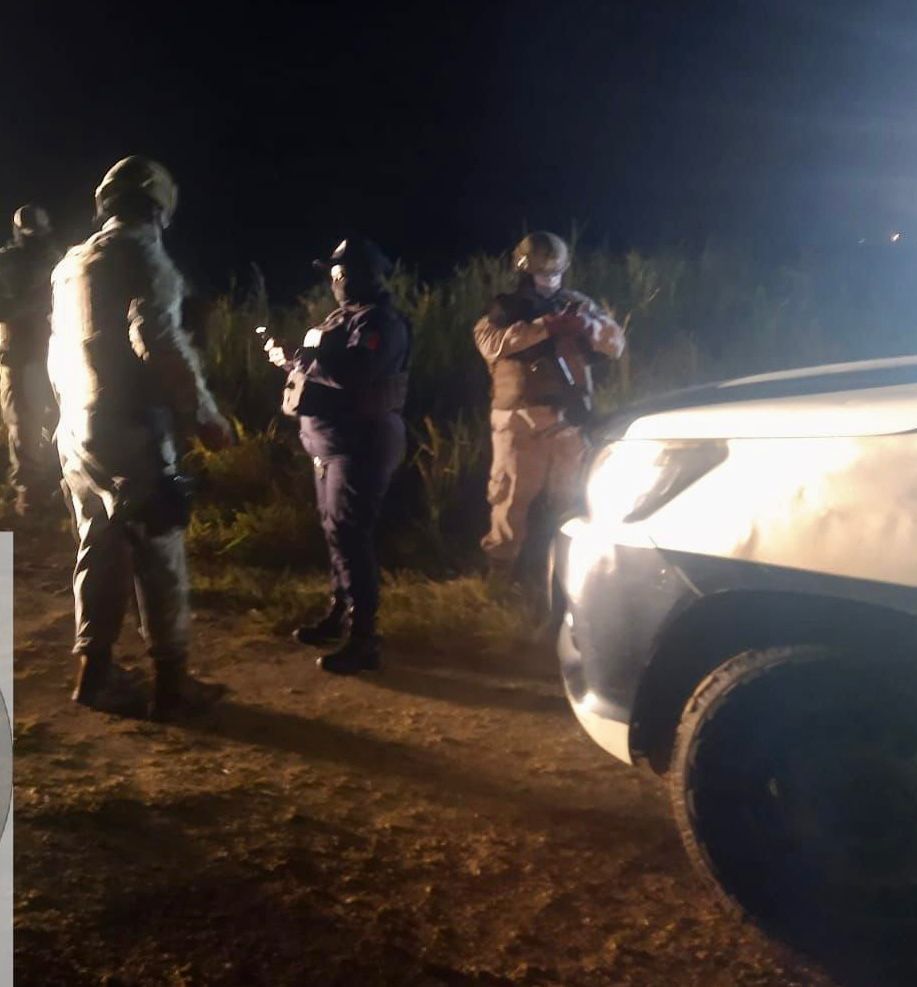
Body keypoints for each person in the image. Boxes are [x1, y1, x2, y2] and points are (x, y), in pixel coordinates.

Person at [48, 156, 233, 718]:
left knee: (98, 547)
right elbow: (157, 337)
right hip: (131, 431)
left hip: (78, 428)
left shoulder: (71, 264)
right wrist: (204, 414)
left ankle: (94, 675)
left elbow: (57, 348)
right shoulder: (144, 256)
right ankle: (172, 687)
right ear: (159, 208)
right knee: (160, 552)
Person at [266, 236, 410, 674]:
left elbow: (354, 372)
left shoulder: (380, 322)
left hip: (360, 443)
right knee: (335, 532)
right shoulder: (342, 317)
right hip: (329, 444)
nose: (334, 281)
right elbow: (319, 366)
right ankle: (340, 615)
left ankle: (365, 638)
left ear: (360, 276)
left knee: (350, 534)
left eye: (340, 273)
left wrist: (299, 358)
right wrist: (286, 359)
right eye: (333, 274)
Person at [474, 231, 626, 580]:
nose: (549, 279)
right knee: (510, 498)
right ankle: (501, 573)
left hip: (570, 418)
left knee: (570, 498)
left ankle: (566, 572)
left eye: (554, 272)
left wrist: (586, 326)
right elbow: (489, 343)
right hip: (518, 418)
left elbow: (615, 344)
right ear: (525, 271)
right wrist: (543, 327)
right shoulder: (505, 308)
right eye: (541, 272)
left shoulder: (579, 304)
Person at [0, 204, 61, 516]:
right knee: (24, 422)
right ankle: (30, 492)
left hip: (53, 350)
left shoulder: (56, 260)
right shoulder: (7, 262)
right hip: (21, 353)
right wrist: (34, 302)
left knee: (53, 418)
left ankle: (50, 485)